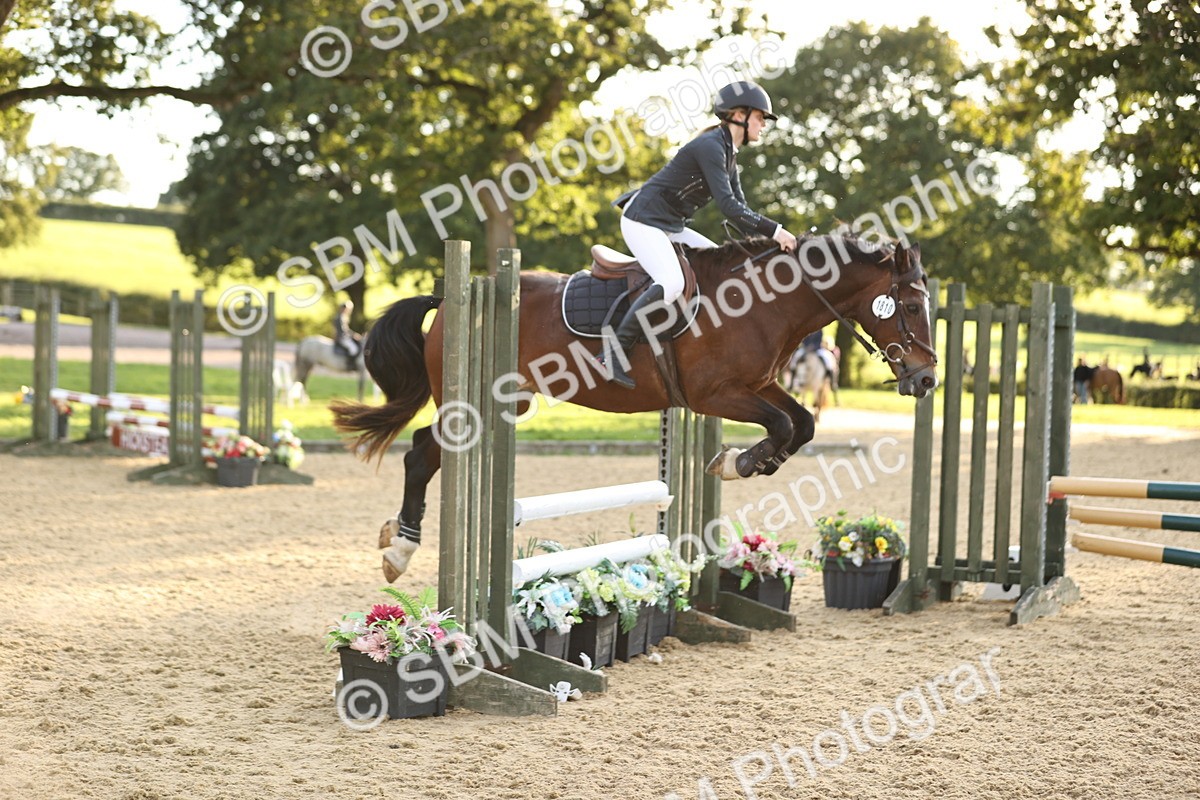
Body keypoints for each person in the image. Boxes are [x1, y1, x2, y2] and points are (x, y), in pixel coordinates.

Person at [604, 80, 799, 389]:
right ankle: (613, 351)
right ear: (739, 114)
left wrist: (768, 241)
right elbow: (729, 207)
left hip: (670, 225)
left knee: (720, 269)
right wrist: (776, 232)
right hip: (642, 221)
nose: (763, 125)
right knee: (671, 283)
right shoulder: (710, 146)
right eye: (761, 117)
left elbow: (741, 208)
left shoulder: (727, 151)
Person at [333, 300, 362, 367]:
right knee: (353, 349)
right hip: (342, 338)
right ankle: (350, 364)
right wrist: (353, 335)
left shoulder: (343, 317)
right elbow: (343, 330)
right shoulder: (340, 317)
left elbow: (346, 329)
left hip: (344, 337)